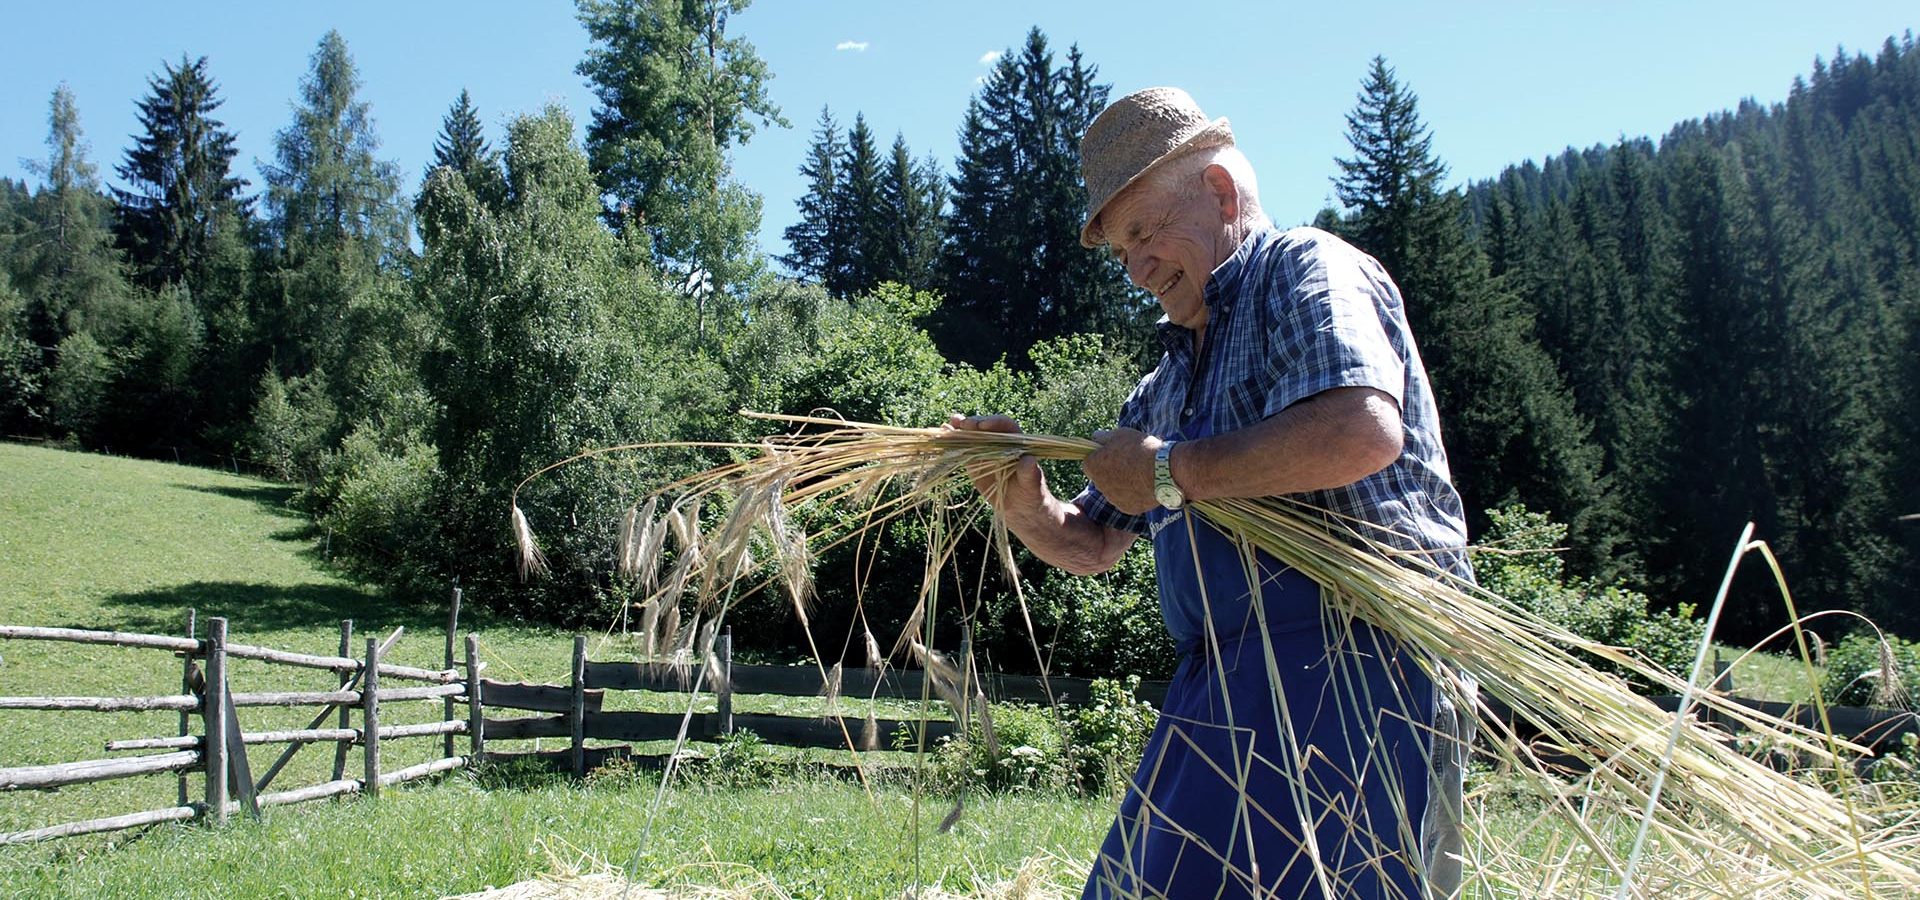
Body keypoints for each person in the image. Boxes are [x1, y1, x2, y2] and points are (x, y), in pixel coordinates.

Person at [947, 87, 1474, 899]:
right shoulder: (1166, 386)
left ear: (1222, 193)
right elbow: (1089, 541)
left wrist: (1168, 472)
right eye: (1122, 251)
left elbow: (1359, 432)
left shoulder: (1306, 270)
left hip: (1363, 664)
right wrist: (1019, 498)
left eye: (1145, 232)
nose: (1137, 267)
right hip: (1221, 687)